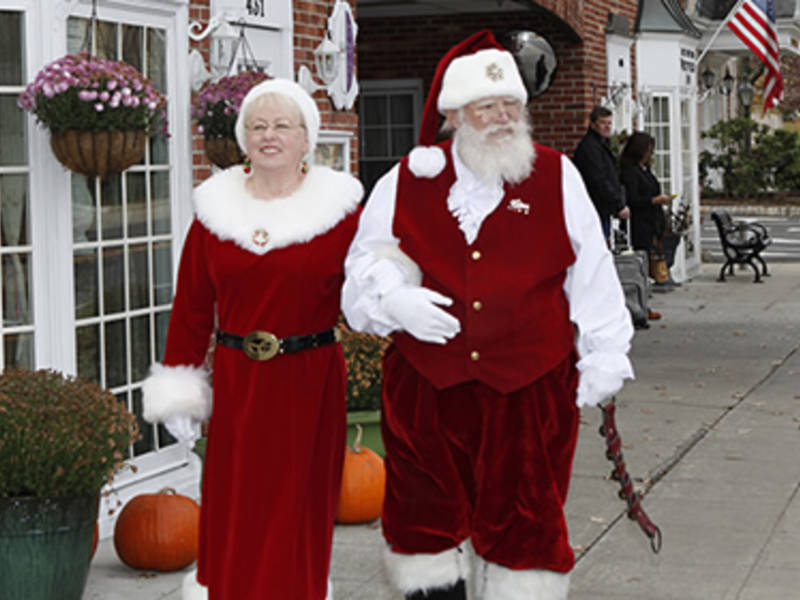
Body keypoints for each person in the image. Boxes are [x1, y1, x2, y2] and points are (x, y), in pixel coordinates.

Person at [341, 31, 634, 600]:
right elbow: (365, 264)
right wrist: (392, 299)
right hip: (427, 389)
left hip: (529, 388)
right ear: (453, 114)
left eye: (511, 106)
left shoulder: (556, 175)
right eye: (487, 106)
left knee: (525, 527)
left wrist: (606, 352)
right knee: (425, 527)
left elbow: (591, 272)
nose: (503, 117)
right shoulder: (407, 179)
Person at [141, 79, 363, 600]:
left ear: (307, 138)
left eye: (282, 125)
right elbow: (193, 304)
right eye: (257, 125)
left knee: (295, 507)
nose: (269, 136)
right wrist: (180, 383)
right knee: (237, 505)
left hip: (309, 381)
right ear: (243, 137)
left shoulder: (340, 213)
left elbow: (369, 290)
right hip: (239, 383)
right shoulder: (216, 213)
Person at [619, 131, 675, 297]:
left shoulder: (645, 170)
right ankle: (641, 286)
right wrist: (653, 200)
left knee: (652, 252)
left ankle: (651, 281)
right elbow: (633, 198)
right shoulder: (629, 172)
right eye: (648, 151)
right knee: (642, 254)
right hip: (640, 220)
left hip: (652, 219)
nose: (650, 155)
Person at [573, 105, 629, 239]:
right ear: (592, 124)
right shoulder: (591, 149)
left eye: (609, 123)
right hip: (594, 209)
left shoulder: (601, 146)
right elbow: (599, 180)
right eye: (603, 123)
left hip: (601, 208)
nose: (607, 126)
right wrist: (618, 205)